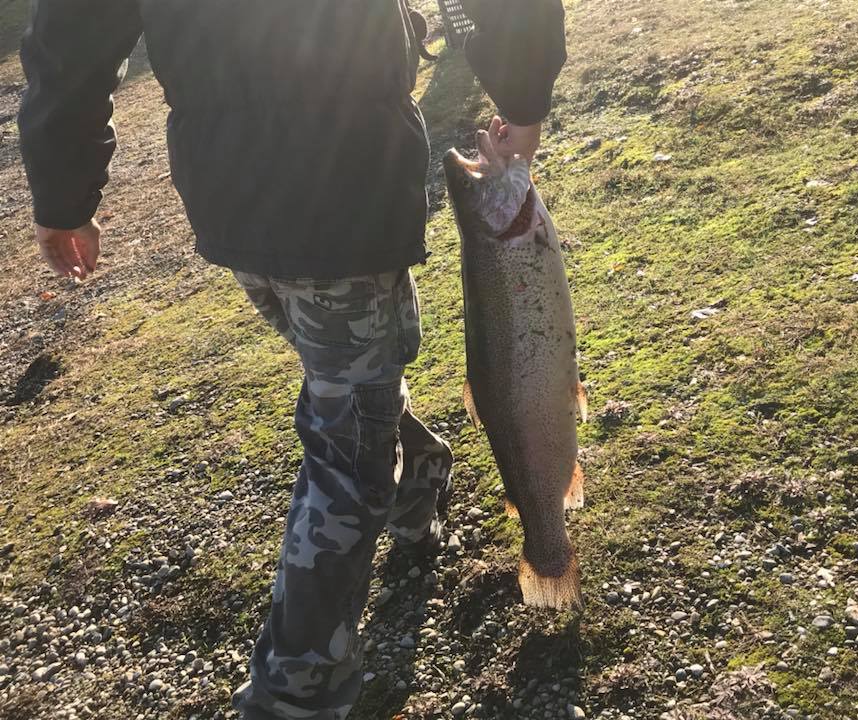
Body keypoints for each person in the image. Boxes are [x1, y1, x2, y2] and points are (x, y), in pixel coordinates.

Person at [17, 1, 566, 718]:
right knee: (350, 428)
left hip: (237, 193)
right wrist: (522, 92)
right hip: (334, 190)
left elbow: (73, 31)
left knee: (351, 390)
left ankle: (414, 480)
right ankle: (298, 693)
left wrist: (62, 189)